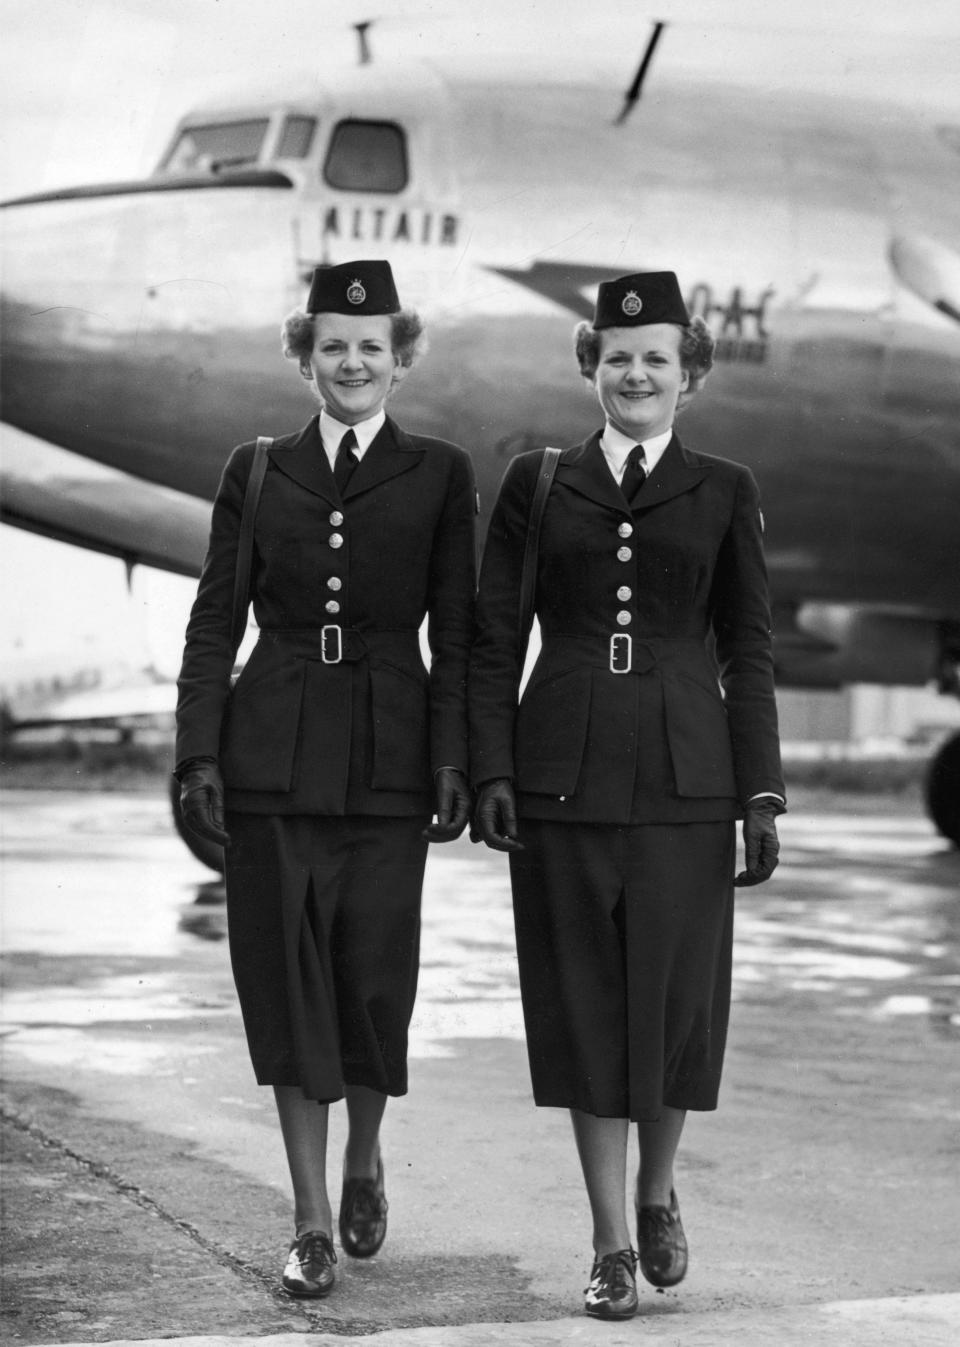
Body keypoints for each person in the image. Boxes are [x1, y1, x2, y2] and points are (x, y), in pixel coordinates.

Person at [469, 270, 785, 1321]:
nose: (636, 373)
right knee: (585, 1010)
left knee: (677, 1007)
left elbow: (746, 646)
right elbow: (492, 637)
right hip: (561, 770)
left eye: (656, 358)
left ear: (687, 376)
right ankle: (608, 1243)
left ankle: (657, 1192)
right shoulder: (539, 482)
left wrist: (763, 792)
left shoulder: (725, 488)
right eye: (618, 357)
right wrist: (493, 769)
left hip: (691, 778)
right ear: (591, 368)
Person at [174, 260, 476, 1300]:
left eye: (373, 346)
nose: (353, 363)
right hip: (271, 759)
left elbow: (462, 629)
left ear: (402, 359)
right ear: (307, 359)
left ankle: (363, 1155)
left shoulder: (441, 473)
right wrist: (197, 754)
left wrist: (454, 757)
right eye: (334, 346)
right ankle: (306, 1220)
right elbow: (215, 619)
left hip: (391, 764)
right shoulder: (255, 471)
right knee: (286, 992)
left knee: (371, 986)